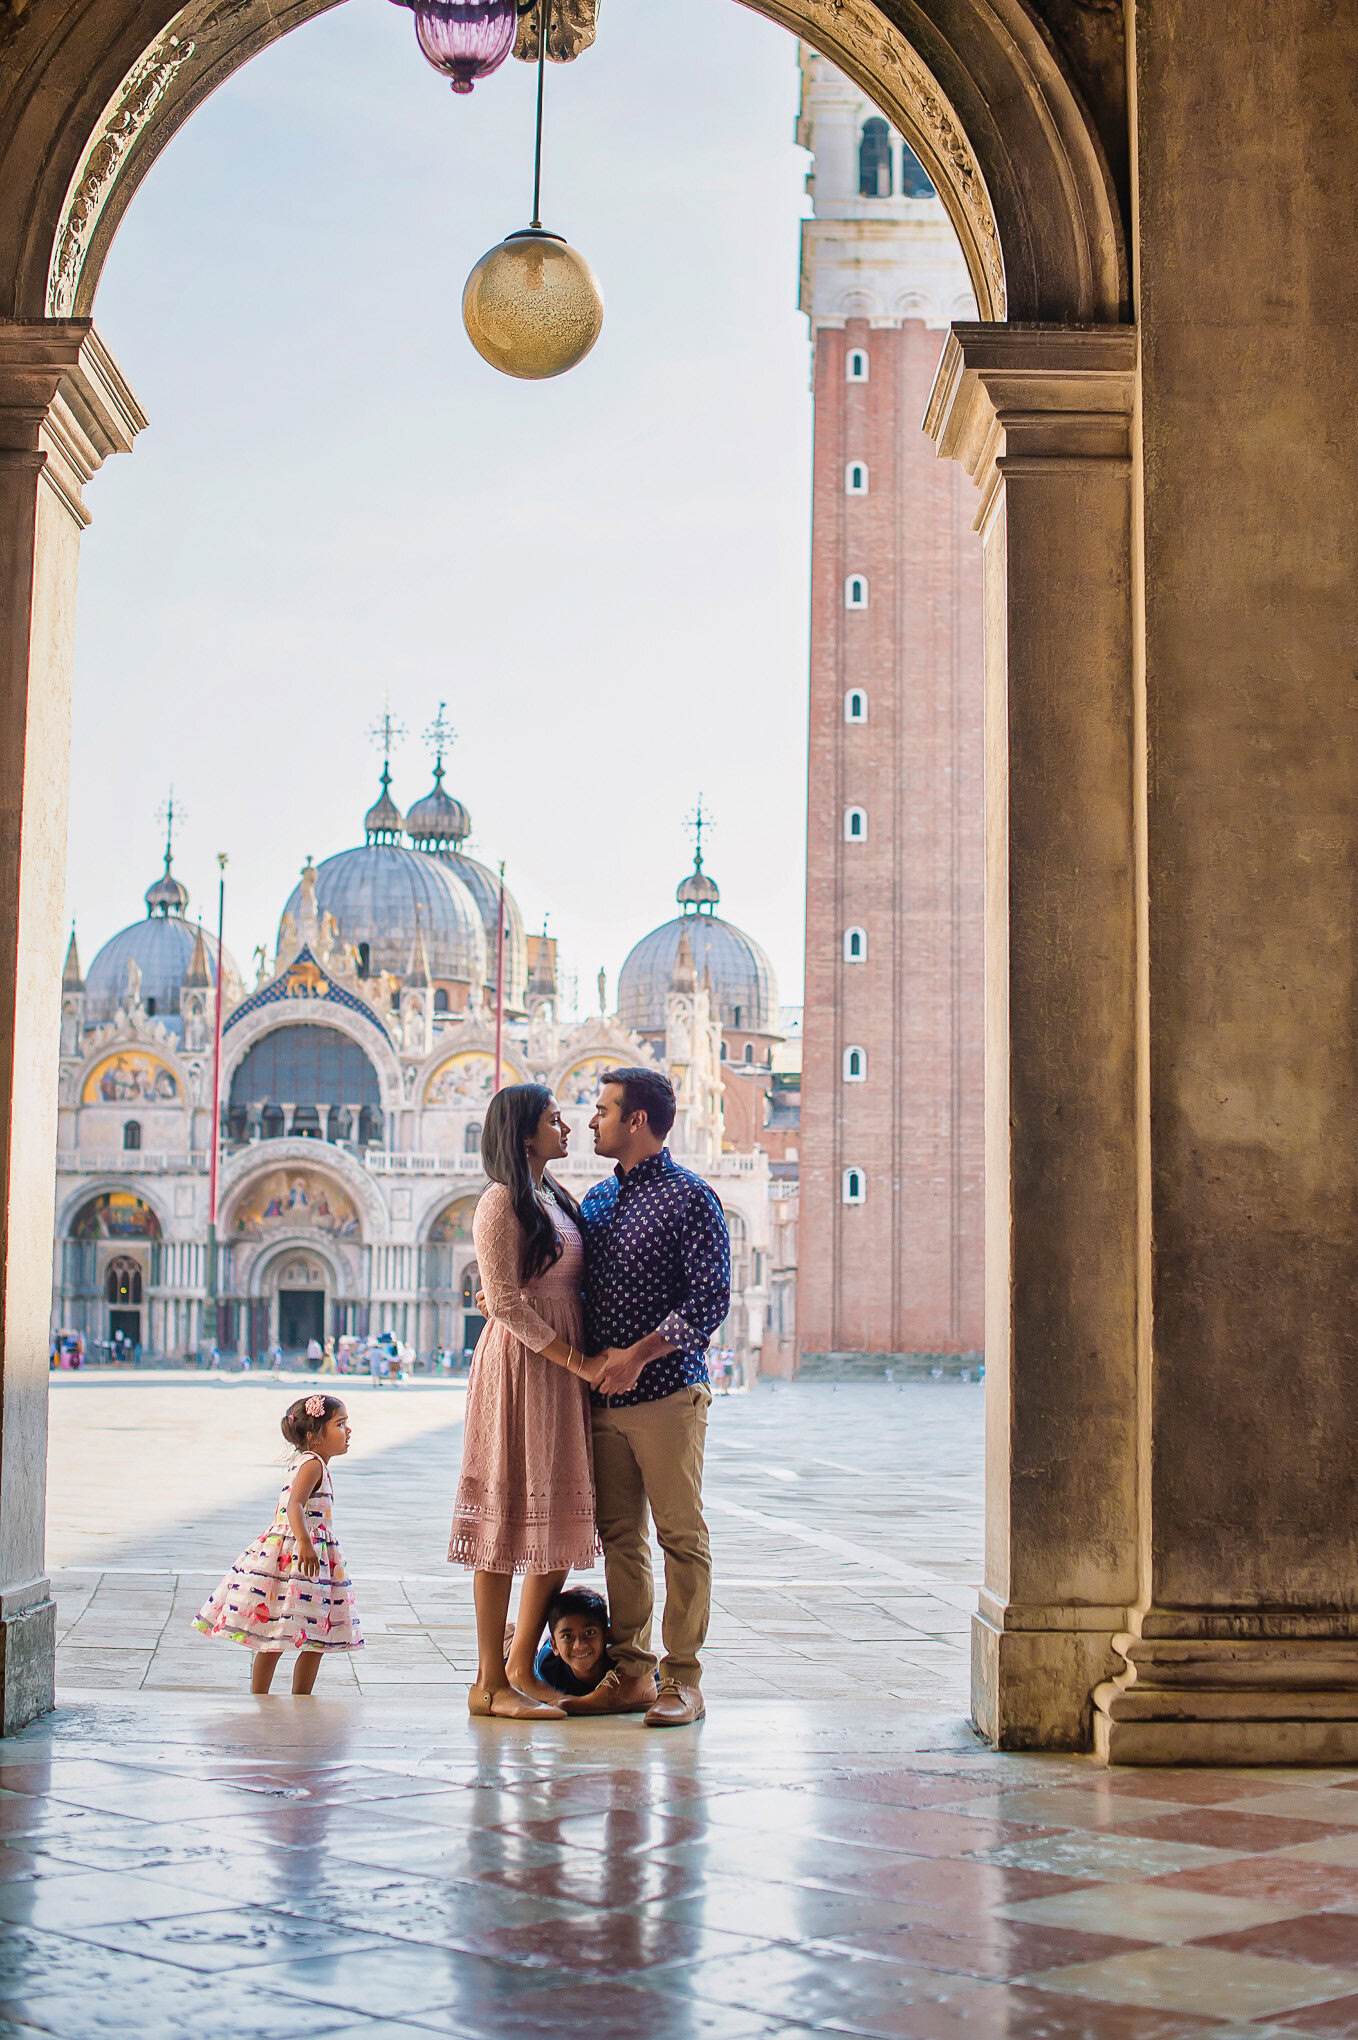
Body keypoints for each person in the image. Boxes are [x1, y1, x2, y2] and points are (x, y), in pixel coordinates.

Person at [565, 1067, 730, 1729]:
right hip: (601, 1405)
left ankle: (682, 1679)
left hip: (667, 1396)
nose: (591, 1121)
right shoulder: (596, 1203)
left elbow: (709, 1302)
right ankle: (631, 1672)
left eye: (603, 1110)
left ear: (637, 1121)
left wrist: (637, 1355)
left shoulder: (693, 1198)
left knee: (680, 1537)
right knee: (618, 1540)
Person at [449, 1082, 606, 1720]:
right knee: (505, 1523)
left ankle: (519, 1668)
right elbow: (506, 1300)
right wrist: (577, 1360)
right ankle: (488, 1684)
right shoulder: (499, 1202)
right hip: (522, 1372)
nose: (566, 1128)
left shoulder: (555, 1196)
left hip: (562, 1376)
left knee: (559, 1526)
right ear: (522, 1135)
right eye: (553, 1119)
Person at [192, 1393, 362, 1695]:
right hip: (301, 1557)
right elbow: (294, 1505)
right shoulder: (313, 1465)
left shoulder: (308, 1462)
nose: (348, 1430)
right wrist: (306, 1544)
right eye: (340, 1424)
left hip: (294, 1554)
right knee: (311, 1633)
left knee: (282, 1631)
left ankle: (268, 1695)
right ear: (314, 1436)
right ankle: (293, 1696)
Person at [532, 1585, 613, 1698]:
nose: (579, 1645)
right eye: (567, 1636)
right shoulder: (548, 1669)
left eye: (589, 1633)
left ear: (606, 1636)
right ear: (555, 1646)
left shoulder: (619, 1661)